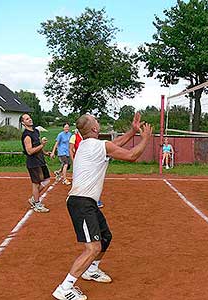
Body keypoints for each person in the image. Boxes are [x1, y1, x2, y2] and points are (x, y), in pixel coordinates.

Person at [52, 113, 152, 300]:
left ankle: (91, 270)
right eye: (96, 121)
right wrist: (145, 138)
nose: (98, 122)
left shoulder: (86, 144)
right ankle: (64, 288)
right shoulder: (97, 146)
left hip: (86, 202)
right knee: (93, 248)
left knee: (106, 236)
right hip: (81, 203)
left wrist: (132, 132)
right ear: (95, 129)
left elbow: (115, 145)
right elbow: (131, 155)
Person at [20, 114, 50, 213]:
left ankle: (33, 199)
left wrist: (45, 152)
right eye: (26, 119)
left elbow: (37, 146)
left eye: (29, 118)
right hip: (33, 163)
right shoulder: (27, 135)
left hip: (40, 160)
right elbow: (29, 151)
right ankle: (37, 204)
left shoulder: (36, 131)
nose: (30, 119)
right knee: (36, 184)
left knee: (46, 180)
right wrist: (42, 145)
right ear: (23, 123)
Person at [69, 129, 104, 208]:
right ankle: (77, 198)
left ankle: (95, 199)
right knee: (80, 181)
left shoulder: (89, 138)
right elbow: (71, 149)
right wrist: (73, 160)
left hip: (89, 161)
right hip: (80, 162)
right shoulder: (74, 137)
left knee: (93, 180)